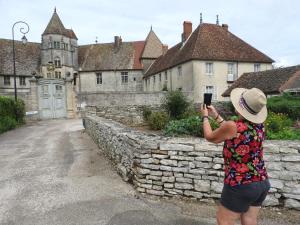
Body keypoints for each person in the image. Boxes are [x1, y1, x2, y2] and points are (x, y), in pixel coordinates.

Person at [200, 88, 270, 225]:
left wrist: (205, 117)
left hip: (240, 183)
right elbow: (232, 131)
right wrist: (216, 116)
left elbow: (210, 137)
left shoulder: (234, 126)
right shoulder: (260, 126)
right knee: (249, 220)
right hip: (261, 182)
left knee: (223, 221)